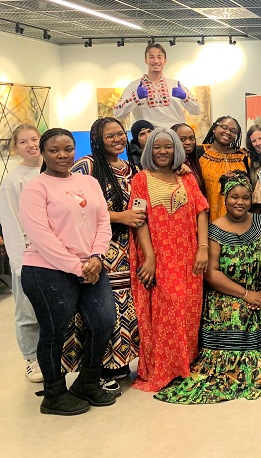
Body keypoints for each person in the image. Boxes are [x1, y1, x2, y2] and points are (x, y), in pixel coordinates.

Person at [155, 172, 261, 403]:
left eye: (245, 197)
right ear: (225, 199)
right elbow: (211, 273)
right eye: (234, 197)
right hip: (228, 295)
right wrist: (246, 295)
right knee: (239, 313)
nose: (240, 202)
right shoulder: (214, 231)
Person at [19, 128, 117, 415]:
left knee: (103, 321)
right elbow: (41, 236)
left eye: (68, 149)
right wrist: (78, 267)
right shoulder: (36, 188)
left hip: (91, 266)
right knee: (54, 332)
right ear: (43, 153)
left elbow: (103, 221)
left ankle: (87, 382)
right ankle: (53, 394)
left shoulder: (89, 182)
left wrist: (97, 256)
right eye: (54, 150)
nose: (62, 155)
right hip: (46, 270)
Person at [128, 128, 209, 392]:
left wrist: (203, 248)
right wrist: (150, 257)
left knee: (189, 309)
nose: (163, 152)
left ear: (177, 150)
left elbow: (201, 211)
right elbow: (139, 220)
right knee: (169, 309)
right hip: (160, 255)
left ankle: (184, 365)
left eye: (168, 147)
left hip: (189, 254)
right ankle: (165, 368)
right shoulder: (141, 180)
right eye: (157, 147)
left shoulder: (186, 177)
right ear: (149, 150)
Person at [70, 117, 141, 389]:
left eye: (120, 134)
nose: (117, 139)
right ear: (97, 139)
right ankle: (95, 368)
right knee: (102, 311)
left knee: (125, 309)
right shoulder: (86, 166)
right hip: (98, 249)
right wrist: (120, 216)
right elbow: (74, 206)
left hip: (128, 249)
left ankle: (118, 364)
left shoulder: (131, 167)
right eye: (109, 136)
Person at [0, 124, 42, 382]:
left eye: (34, 139)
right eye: (23, 142)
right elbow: (11, 225)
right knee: (28, 312)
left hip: (56, 253)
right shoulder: (12, 181)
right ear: (16, 147)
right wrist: (19, 266)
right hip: (27, 254)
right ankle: (31, 358)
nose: (31, 145)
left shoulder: (53, 171)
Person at [114, 43, 200, 128]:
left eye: (159, 57)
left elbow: (196, 110)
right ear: (146, 60)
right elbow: (117, 113)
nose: (155, 61)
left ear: (165, 61)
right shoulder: (134, 86)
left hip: (175, 133)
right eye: (151, 57)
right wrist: (135, 97)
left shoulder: (176, 84)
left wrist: (185, 97)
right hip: (149, 134)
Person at [198, 116, 249, 221]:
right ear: (214, 128)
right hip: (205, 219)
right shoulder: (199, 153)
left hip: (238, 220)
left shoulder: (243, 157)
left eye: (233, 131)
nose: (228, 132)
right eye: (224, 127)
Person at [170, 122, 206, 196]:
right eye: (182, 139)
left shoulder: (192, 161)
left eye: (191, 138)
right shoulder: (168, 165)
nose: (188, 142)